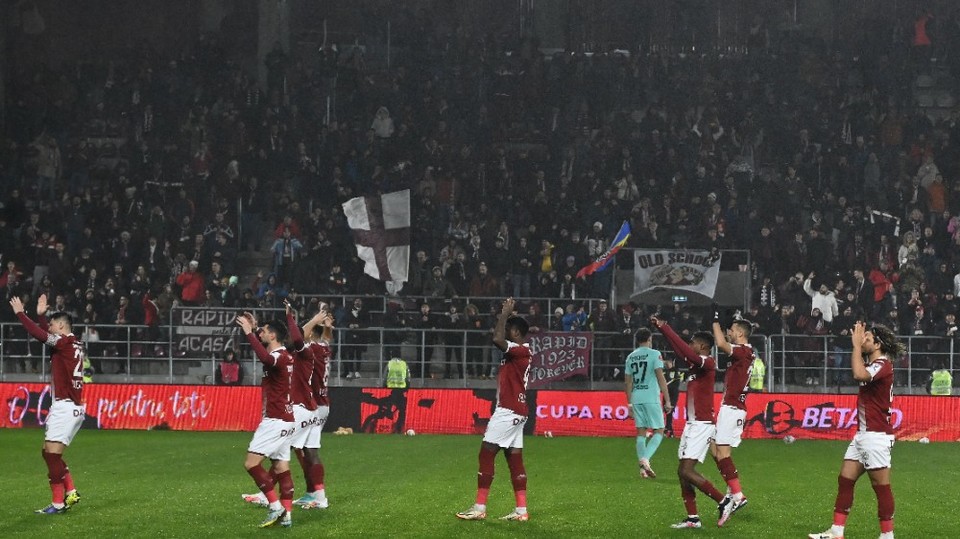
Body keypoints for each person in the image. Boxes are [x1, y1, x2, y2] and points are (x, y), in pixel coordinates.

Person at [808, 322, 901, 539]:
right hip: (863, 435)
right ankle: (836, 531)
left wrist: (855, 347)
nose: (863, 340)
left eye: (867, 338)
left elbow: (859, 374)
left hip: (876, 436)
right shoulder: (874, 364)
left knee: (881, 486)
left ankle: (887, 536)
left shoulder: (882, 364)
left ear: (878, 344)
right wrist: (858, 347)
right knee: (845, 479)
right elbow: (860, 372)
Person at [457, 298, 532, 522]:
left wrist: (504, 314)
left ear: (516, 332)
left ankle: (479, 507)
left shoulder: (518, 350)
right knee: (514, 458)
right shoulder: (519, 352)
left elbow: (497, 338)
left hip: (508, 410)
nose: (505, 331)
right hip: (517, 410)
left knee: (486, 452)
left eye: (510, 328)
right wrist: (505, 317)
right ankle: (521, 511)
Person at [11, 294, 85, 514]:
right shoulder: (72, 342)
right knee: (48, 452)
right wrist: (42, 316)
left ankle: (58, 502)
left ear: (61, 325)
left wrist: (21, 314)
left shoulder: (63, 343)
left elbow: (39, 335)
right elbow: (47, 335)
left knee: (52, 455)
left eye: (52, 324)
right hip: (68, 407)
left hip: (66, 406)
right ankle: (70, 491)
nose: (49, 327)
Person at [650, 315, 726, 530]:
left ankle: (724, 501)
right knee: (682, 473)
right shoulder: (695, 366)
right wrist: (663, 330)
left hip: (702, 424)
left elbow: (684, 350)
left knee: (686, 471)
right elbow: (681, 349)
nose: (690, 346)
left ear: (702, 346)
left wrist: (665, 326)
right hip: (693, 423)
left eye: (693, 342)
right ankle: (693, 518)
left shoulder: (708, 362)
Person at [236, 313, 296, 528]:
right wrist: (254, 329)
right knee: (281, 467)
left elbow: (266, 358)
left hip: (276, 419)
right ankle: (287, 516)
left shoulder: (279, 356)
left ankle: (275, 506)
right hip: (286, 418)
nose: (260, 332)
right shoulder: (286, 356)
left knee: (251, 463)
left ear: (273, 335)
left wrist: (249, 333)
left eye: (264, 330)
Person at [710, 307, 756, 526]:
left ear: (740, 333)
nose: (729, 332)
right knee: (714, 449)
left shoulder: (743, 350)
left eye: (732, 330)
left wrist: (715, 320)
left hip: (733, 408)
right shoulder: (745, 352)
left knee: (723, 453)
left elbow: (720, 343)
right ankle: (732, 489)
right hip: (731, 407)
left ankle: (737, 495)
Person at [624, 327, 673, 478]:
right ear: (650, 339)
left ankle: (642, 469)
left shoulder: (630, 357)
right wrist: (667, 400)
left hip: (637, 398)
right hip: (651, 397)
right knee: (659, 430)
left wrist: (629, 404)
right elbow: (660, 378)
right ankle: (645, 459)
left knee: (641, 432)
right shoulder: (655, 354)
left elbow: (627, 383)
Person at [301, 302, 335, 508]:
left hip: (314, 405)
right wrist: (327, 325)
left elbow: (300, 335)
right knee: (305, 449)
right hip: (321, 403)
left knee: (309, 450)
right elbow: (326, 336)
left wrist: (316, 319)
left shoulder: (312, 348)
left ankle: (320, 497)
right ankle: (312, 492)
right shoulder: (324, 347)